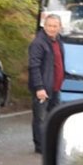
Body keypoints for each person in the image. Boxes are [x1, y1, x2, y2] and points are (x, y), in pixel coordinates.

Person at [28, 13, 65, 154]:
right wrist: (39, 87)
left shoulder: (58, 41)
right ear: (44, 26)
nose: (52, 28)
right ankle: (40, 146)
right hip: (43, 88)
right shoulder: (38, 43)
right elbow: (34, 66)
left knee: (54, 117)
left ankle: (51, 143)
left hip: (55, 87)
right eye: (49, 25)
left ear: (60, 27)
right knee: (40, 118)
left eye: (55, 26)